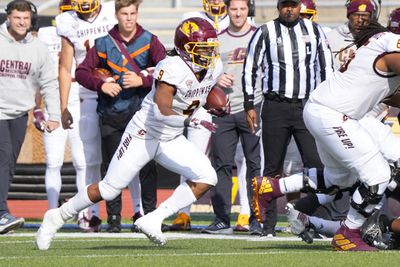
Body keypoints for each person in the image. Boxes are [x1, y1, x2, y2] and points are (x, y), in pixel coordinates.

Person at [35, 16, 223, 250]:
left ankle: (153, 219)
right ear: (184, 48)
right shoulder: (172, 67)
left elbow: (202, 91)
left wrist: (215, 106)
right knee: (109, 188)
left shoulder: (214, 66)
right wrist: (194, 118)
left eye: (210, 49)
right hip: (145, 133)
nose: (207, 55)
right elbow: (163, 110)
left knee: (207, 176)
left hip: (171, 137)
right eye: (201, 49)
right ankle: (58, 216)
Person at [253, 21, 400, 251]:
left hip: (325, 111)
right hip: (334, 115)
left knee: (341, 179)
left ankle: (272, 187)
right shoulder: (391, 50)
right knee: (378, 176)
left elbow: (389, 95)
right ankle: (348, 234)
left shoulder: (381, 45)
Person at [243, 0, 333, 236]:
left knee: (317, 166)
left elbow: (326, 67)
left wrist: (328, 102)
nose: (289, 9)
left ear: (299, 7)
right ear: (279, 6)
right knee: (272, 167)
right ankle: (268, 225)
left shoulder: (314, 30)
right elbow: (250, 66)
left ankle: (316, 223)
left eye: (293, 5)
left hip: (306, 106)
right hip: (275, 106)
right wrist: (248, 103)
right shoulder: (265, 32)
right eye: (285, 5)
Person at [75, 0, 166, 232]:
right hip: (111, 113)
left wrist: (143, 79)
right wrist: (101, 84)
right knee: (112, 167)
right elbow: (82, 71)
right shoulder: (104, 43)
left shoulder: (151, 41)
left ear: (137, 13)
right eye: (124, 13)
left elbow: (168, 70)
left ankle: (149, 217)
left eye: (133, 13)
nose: (129, 18)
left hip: (143, 115)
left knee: (147, 166)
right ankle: (113, 218)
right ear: (116, 15)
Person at [201, 0, 262, 235]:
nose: (238, 13)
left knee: (254, 165)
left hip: (252, 107)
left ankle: (257, 218)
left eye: (242, 9)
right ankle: (221, 218)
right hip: (223, 110)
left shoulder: (260, 36)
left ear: (249, 11)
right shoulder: (216, 38)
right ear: (227, 10)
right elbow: (203, 70)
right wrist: (214, 80)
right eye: (234, 9)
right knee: (222, 165)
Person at [0, 0, 60, 234]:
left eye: (25, 18)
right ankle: (1, 213)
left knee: (8, 164)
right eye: (17, 18)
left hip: (18, 113)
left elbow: (48, 83)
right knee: (4, 159)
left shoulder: (38, 48)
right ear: (8, 18)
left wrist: (53, 114)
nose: (22, 22)